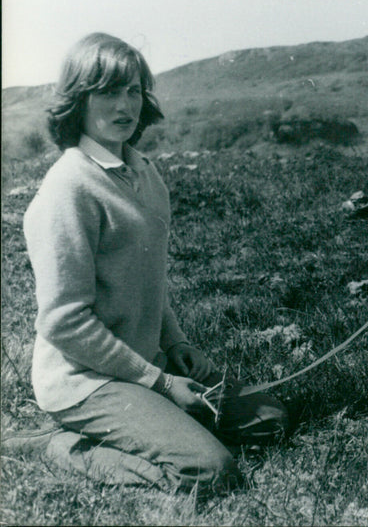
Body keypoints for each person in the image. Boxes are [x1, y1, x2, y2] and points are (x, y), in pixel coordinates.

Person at [7, 33, 287, 495]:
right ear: (78, 100)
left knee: (269, 419)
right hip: (85, 380)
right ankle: (60, 447)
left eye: (133, 90)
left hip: (144, 364)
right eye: (108, 92)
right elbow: (63, 322)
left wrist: (175, 344)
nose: (125, 106)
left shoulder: (144, 174)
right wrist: (159, 384)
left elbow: (145, 281)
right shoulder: (67, 190)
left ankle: (155, 423)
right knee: (208, 471)